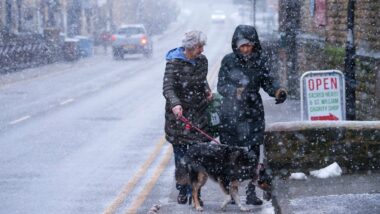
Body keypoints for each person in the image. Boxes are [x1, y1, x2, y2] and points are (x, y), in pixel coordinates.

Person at [217, 25, 287, 205]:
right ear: (236, 45)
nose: (246, 49)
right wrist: (235, 91)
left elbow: (268, 81)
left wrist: (277, 90)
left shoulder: (260, 61)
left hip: (253, 111)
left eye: (249, 45)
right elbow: (221, 86)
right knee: (233, 155)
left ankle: (250, 192)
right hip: (231, 113)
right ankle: (233, 192)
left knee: (253, 154)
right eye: (242, 45)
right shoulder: (228, 61)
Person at [162, 30, 213, 204]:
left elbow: (202, 79)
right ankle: (183, 188)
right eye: (199, 47)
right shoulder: (174, 62)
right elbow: (168, 88)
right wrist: (176, 104)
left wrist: (206, 89)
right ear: (190, 47)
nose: (202, 50)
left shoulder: (202, 61)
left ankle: (196, 193)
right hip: (179, 118)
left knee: (198, 157)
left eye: (202, 47)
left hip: (198, 114)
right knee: (182, 158)